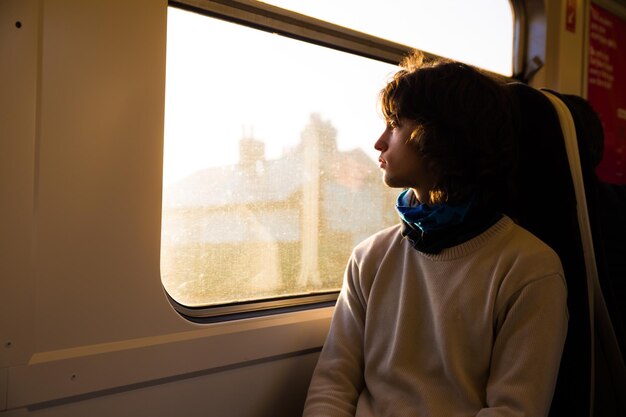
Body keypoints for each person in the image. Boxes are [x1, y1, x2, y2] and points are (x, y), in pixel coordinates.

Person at [302, 51, 568, 417]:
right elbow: (333, 384)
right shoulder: (370, 257)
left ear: (440, 137)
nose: (379, 142)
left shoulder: (529, 269)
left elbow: (513, 410)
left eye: (394, 125)